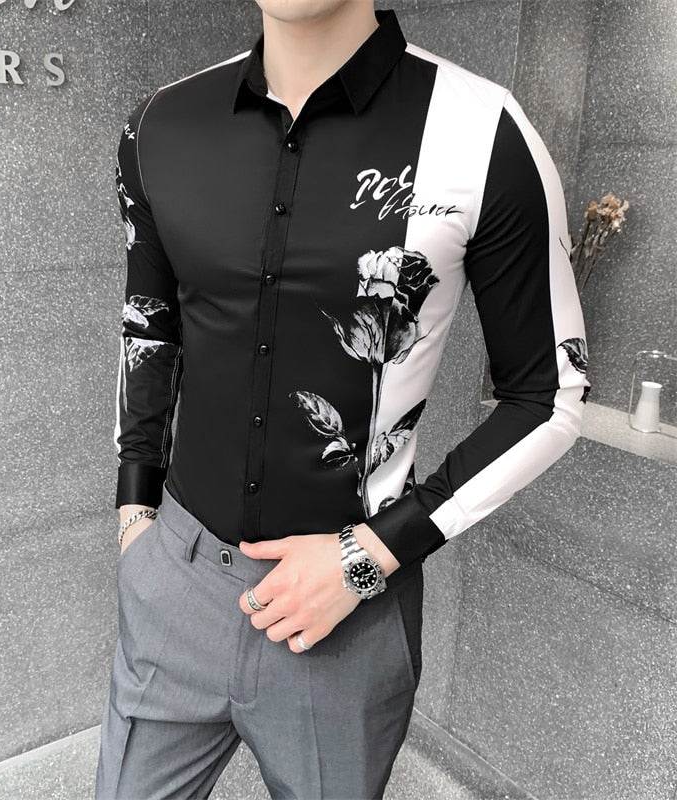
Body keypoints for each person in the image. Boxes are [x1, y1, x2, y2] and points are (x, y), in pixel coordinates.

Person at [95, 1, 591, 797]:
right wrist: (135, 520)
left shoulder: (482, 132)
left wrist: (369, 558)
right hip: (174, 585)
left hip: (348, 618)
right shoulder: (159, 125)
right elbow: (148, 329)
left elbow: (550, 395)